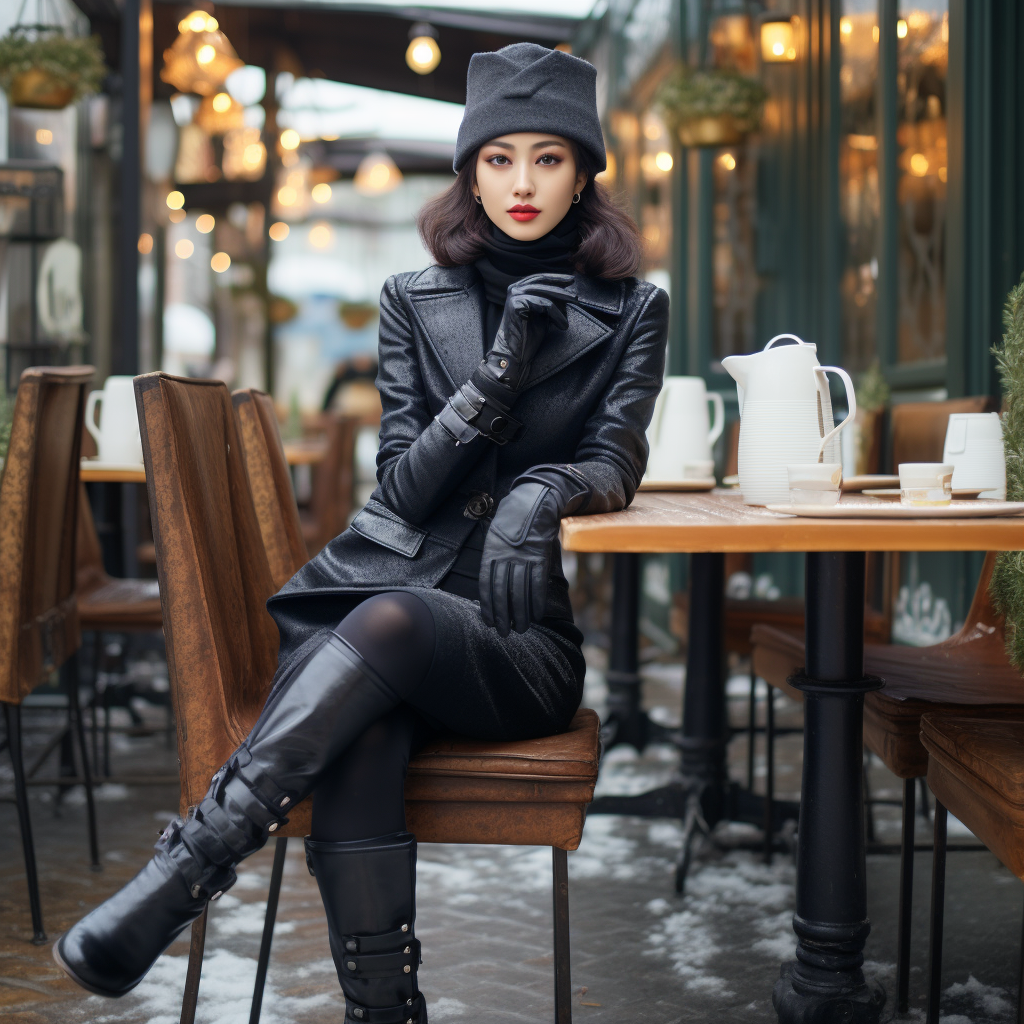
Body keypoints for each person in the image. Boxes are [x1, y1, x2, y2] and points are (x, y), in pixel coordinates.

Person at [54, 42, 669, 1022]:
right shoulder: (409, 300)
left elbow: (616, 457)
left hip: (516, 647)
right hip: (376, 626)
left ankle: (187, 868)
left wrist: (535, 494)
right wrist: (498, 377)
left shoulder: (632, 307)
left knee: (386, 625)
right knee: (368, 718)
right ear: (469, 168)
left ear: (586, 171)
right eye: (498, 157)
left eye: (548, 158)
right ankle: (385, 1010)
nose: (521, 183)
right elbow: (406, 488)